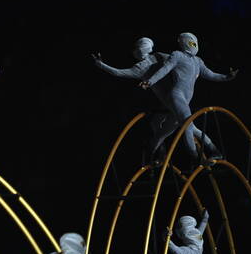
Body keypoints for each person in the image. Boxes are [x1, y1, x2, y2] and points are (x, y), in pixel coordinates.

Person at [139, 32, 238, 164]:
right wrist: (150, 81)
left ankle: (151, 152)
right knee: (187, 126)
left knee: (180, 129)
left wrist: (227, 77)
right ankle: (198, 157)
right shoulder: (177, 55)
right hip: (177, 96)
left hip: (185, 99)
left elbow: (212, 75)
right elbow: (165, 69)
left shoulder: (198, 61)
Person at [92, 37, 182, 166]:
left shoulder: (141, 67)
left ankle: (160, 154)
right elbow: (178, 62)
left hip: (172, 102)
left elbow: (118, 73)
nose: (133, 51)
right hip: (173, 99)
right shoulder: (159, 56)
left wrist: (101, 65)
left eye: (136, 48)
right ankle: (162, 155)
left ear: (140, 50)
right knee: (156, 122)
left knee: (182, 128)